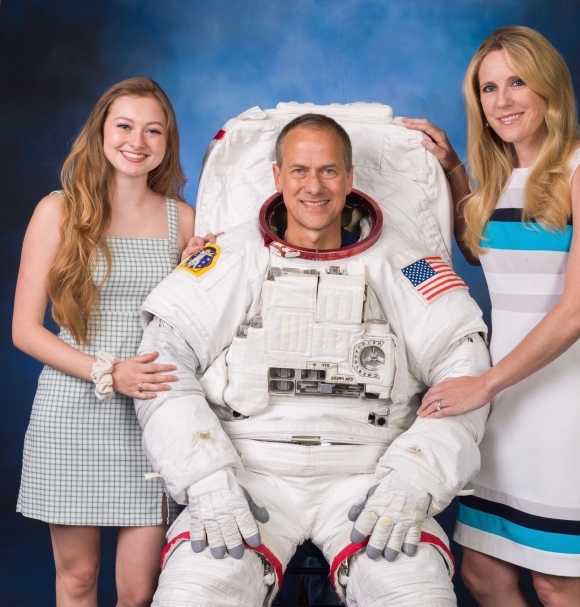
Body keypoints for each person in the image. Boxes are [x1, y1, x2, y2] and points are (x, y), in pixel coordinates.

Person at [133, 112, 492, 607]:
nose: (313, 186)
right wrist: (205, 477)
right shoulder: (232, 255)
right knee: (198, 592)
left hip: (368, 475)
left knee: (414, 594)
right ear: (277, 178)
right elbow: (160, 362)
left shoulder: (404, 262)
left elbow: (465, 367)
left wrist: (417, 478)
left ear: (349, 178)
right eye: (299, 171)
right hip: (246, 471)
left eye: (328, 171)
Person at [404, 25, 580, 607]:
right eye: (489, 89)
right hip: (506, 397)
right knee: (485, 573)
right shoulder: (503, 175)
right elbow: (481, 250)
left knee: (557, 580)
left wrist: (481, 386)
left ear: (549, 88)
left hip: (569, 400)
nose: (503, 100)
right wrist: (456, 168)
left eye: (517, 82)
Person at [13, 77, 198, 607]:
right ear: (100, 132)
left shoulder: (181, 221)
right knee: (77, 579)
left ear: (166, 143)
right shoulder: (59, 210)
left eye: (153, 130)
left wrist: (207, 265)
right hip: (71, 415)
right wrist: (110, 372)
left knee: (140, 592)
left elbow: (197, 320)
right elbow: (24, 331)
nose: (136, 140)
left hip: (152, 419)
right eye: (124, 125)